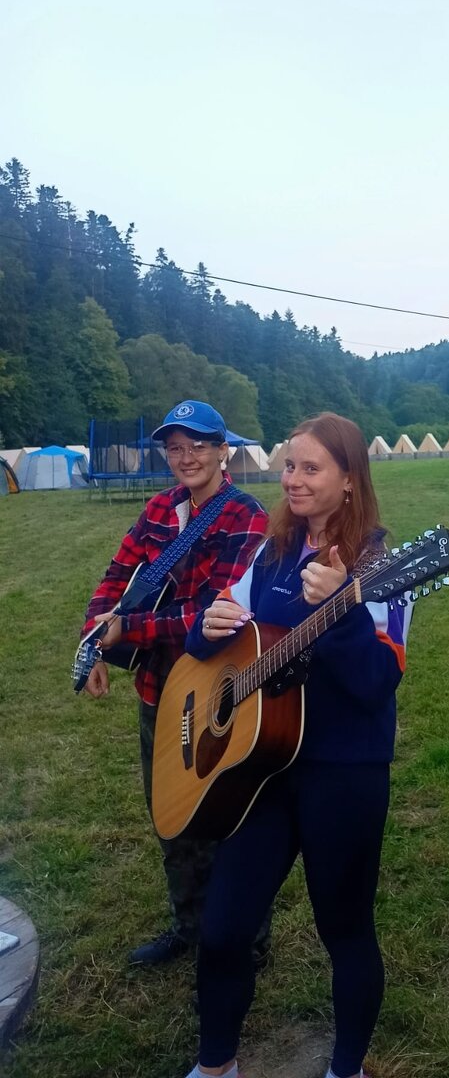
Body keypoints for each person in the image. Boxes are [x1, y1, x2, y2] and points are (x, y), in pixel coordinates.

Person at [182, 412, 410, 1078]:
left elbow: (376, 682)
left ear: (348, 480)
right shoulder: (272, 551)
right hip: (263, 769)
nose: (294, 480)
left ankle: (346, 1068)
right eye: (289, 466)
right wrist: (205, 628)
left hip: (345, 770)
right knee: (224, 927)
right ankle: (216, 1065)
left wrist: (340, 610)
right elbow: (221, 632)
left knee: (345, 931)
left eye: (312, 468)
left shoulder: (381, 564)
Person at [82, 400, 269, 966]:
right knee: (168, 815)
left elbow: (212, 614)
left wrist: (125, 629)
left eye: (199, 446)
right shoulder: (159, 507)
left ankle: (245, 945)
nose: (186, 458)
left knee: (224, 816)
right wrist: (94, 634)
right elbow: (118, 573)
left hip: (216, 689)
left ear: (223, 451)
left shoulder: (246, 517)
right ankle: (190, 928)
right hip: (155, 691)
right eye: (176, 448)